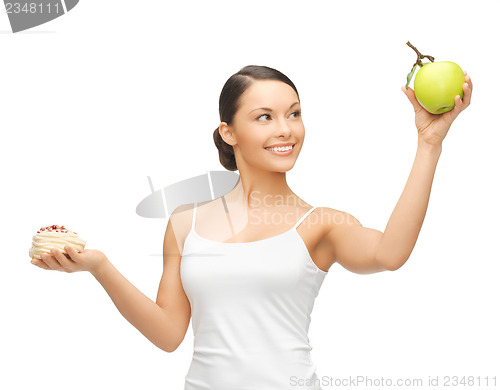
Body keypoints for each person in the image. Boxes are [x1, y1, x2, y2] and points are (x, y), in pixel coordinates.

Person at [31, 64, 473, 389]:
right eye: (265, 117)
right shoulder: (185, 222)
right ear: (228, 132)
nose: (286, 130)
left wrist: (428, 144)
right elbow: (168, 334)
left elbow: (390, 254)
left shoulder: (320, 225)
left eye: (294, 114)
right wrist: (100, 266)